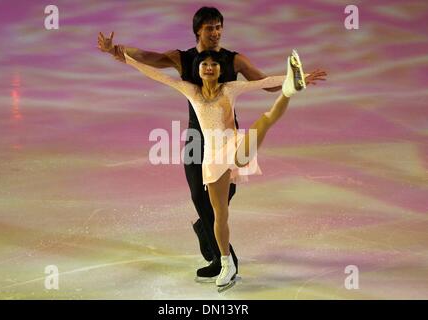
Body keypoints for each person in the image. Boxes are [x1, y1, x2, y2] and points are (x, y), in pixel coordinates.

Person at [97, 6, 326, 283]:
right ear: (198, 31)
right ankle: (224, 260)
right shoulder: (183, 58)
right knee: (198, 196)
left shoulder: (234, 60)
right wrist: (116, 50)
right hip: (197, 136)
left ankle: (206, 232)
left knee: (221, 201)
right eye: (210, 28)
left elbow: (264, 83)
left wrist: (293, 80)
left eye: (219, 27)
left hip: (227, 137)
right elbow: (151, 60)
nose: (216, 32)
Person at [118, 48, 307, 287]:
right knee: (220, 215)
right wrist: (125, 58)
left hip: (234, 146)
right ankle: (226, 263)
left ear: (220, 70)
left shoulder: (229, 89)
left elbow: (264, 82)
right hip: (213, 159)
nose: (209, 67)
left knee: (264, 122)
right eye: (204, 64)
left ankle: (290, 90)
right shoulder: (192, 91)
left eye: (214, 64)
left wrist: (299, 76)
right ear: (198, 70)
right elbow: (159, 76)